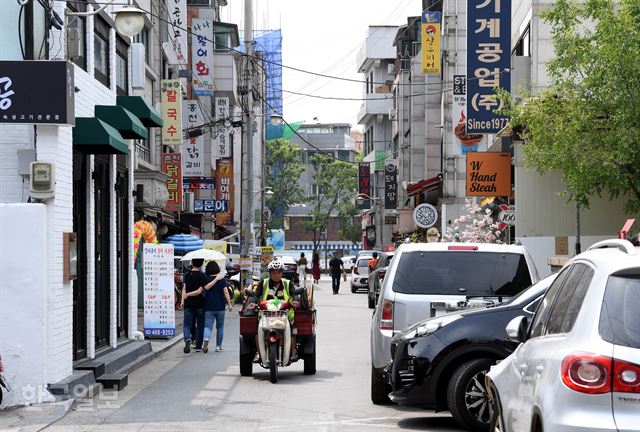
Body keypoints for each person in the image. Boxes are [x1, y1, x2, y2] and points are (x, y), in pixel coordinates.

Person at [253, 260, 300, 359]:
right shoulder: (264, 283)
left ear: (282, 273)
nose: (276, 275)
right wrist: (253, 303)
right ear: (269, 273)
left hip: (284, 314)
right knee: (258, 330)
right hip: (266, 314)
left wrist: (295, 301)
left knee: (291, 330)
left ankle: (293, 351)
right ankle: (258, 353)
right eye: (273, 273)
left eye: (278, 272)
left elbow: (294, 294)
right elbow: (256, 295)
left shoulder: (288, 283)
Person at [202, 262, 233, 353]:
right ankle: (218, 347)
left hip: (208, 307)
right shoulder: (221, 280)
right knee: (220, 327)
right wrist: (229, 304)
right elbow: (226, 292)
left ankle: (206, 338)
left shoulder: (206, 278)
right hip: (220, 307)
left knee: (208, 326)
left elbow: (206, 288)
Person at [181, 259, 209, 354]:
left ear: (192, 263)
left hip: (188, 304)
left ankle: (187, 338)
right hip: (200, 304)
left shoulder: (187, 275)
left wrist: (183, 300)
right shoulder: (202, 276)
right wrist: (188, 295)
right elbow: (199, 291)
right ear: (201, 264)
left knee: (187, 324)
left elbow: (184, 289)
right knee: (200, 325)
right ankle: (198, 346)